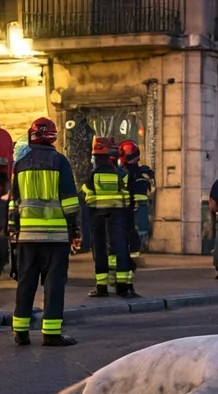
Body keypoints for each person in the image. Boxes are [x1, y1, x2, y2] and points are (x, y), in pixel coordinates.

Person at [9, 117, 79, 347]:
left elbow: (14, 202)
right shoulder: (60, 161)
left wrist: (13, 230)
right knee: (54, 285)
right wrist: (75, 229)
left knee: (26, 282)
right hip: (56, 237)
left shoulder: (20, 164)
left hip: (27, 237)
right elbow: (69, 201)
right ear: (53, 136)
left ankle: (20, 332)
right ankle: (51, 334)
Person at [82, 137, 136, 298]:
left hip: (98, 217)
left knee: (99, 251)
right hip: (118, 216)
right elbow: (127, 199)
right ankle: (123, 287)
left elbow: (88, 198)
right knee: (120, 249)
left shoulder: (93, 176)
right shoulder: (121, 175)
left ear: (97, 158)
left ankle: (102, 288)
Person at [118, 140, 153, 262]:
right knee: (139, 232)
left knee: (131, 231)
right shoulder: (144, 172)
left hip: (129, 206)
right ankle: (135, 256)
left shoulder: (122, 172)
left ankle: (132, 256)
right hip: (140, 206)